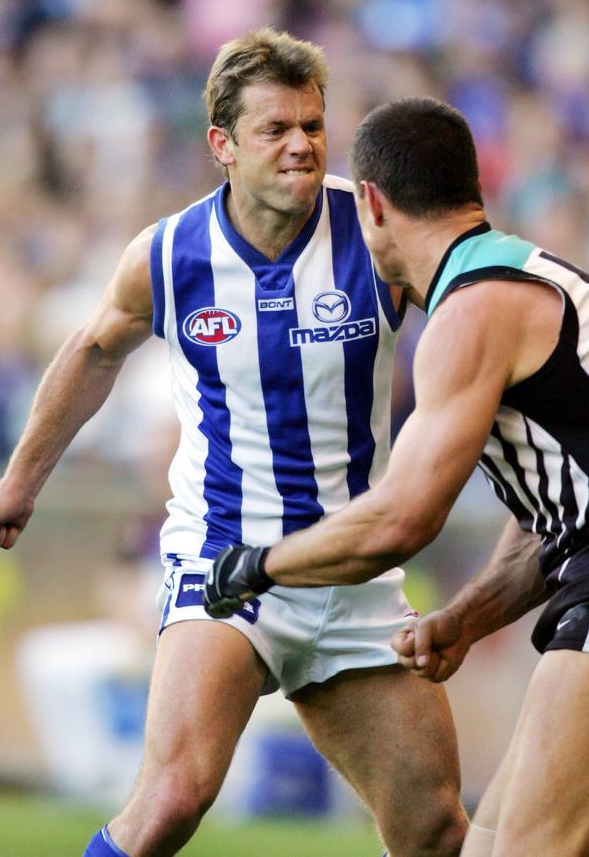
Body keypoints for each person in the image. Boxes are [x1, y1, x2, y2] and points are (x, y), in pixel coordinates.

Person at [0, 32, 468, 857]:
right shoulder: (168, 255)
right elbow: (93, 352)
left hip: (355, 569)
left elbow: (480, 320)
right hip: (225, 564)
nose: (301, 144)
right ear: (222, 146)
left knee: (436, 831)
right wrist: (19, 484)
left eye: (312, 124)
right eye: (276, 129)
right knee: (171, 801)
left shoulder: (377, 227)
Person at [203, 94, 589, 857]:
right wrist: (466, 620)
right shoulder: (515, 276)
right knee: (488, 847)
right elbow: (555, 511)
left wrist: (259, 565)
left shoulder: (472, 311)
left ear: (370, 203)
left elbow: (400, 521)